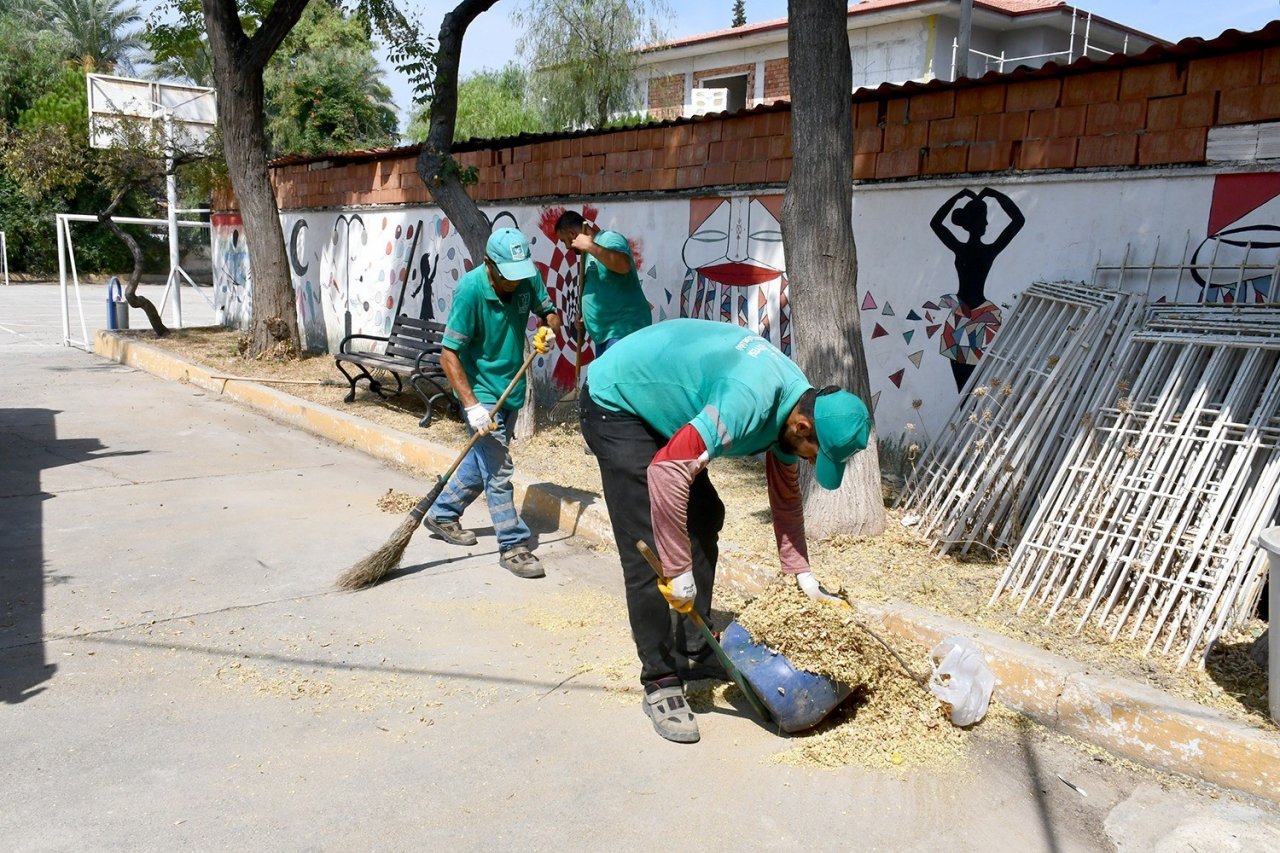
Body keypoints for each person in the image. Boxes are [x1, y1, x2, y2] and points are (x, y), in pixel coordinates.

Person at [578, 318, 871, 743]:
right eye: (815, 454)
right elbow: (666, 471)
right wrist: (677, 571)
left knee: (705, 516)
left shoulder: (795, 404)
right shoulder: (748, 402)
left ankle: (693, 648)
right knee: (653, 545)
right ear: (803, 427)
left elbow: (785, 496)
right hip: (618, 402)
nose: (811, 463)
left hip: (661, 400)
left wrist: (801, 574)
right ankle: (660, 680)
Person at [423, 227, 562, 579]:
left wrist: (549, 329)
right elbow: (449, 354)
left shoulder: (526, 277)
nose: (515, 283)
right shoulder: (470, 290)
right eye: (507, 276)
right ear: (489, 264)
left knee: (481, 462)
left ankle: (442, 513)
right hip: (480, 392)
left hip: (510, 390)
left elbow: (550, 312)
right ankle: (513, 546)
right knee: (498, 469)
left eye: (520, 275)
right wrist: (472, 405)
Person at [554, 211, 651, 355]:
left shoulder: (609, 239)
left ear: (572, 234)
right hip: (605, 336)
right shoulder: (587, 256)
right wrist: (585, 319)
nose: (567, 247)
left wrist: (590, 246)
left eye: (564, 241)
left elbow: (623, 265)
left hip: (622, 331)